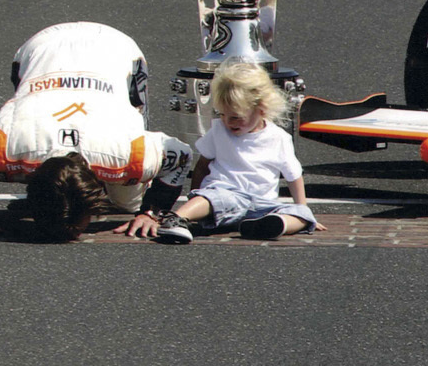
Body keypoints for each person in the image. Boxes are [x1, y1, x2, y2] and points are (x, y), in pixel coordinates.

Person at [0, 22, 195, 242]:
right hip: (41, 48)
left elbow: (181, 155)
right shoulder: (4, 148)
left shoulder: (128, 155)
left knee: (127, 203)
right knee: (128, 202)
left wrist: (151, 212)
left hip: (116, 49)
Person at [132, 59, 317, 244]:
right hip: (226, 195)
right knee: (211, 197)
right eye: (222, 114)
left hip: (263, 204)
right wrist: (197, 194)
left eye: (236, 117)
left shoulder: (279, 138)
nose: (228, 122)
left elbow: (294, 176)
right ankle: (176, 219)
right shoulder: (219, 130)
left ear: (262, 109)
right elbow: (202, 166)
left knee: (302, 214)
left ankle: (269, 226)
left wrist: (302, 208)